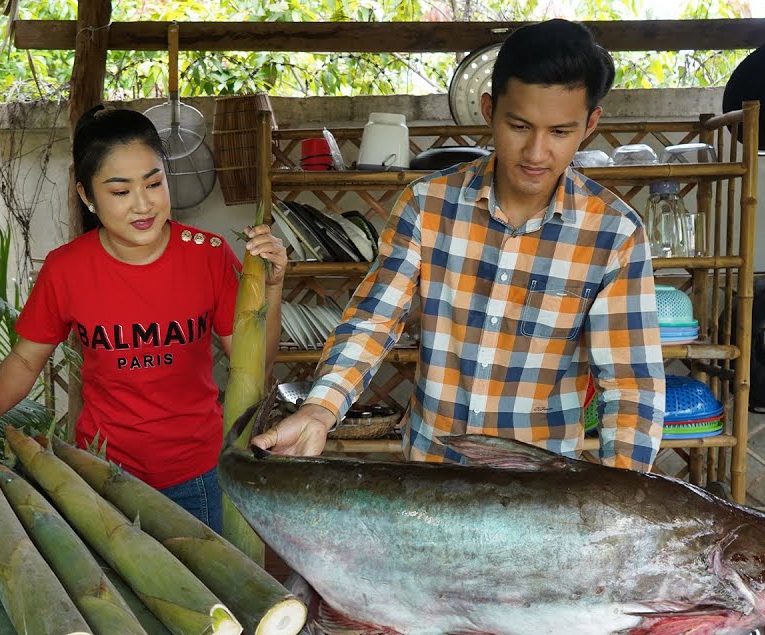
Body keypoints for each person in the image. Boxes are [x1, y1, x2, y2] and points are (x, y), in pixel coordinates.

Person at [252, 19, 665, 471]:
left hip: (541, 494)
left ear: (590, 124)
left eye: (560, 132)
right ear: (488, 110)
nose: (536, 152)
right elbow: (374, 320)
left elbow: (629, 385)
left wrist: (623, 499)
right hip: (432, 478)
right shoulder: (427, 205)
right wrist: (319, 409)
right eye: (519, 125)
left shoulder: (615, 233)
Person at [0, 105, 287, 532]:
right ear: (87, 196)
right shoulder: (66, 269)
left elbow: (255, 365)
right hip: (103, 476)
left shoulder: (208, 255)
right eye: (120, 192)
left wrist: (274, 286)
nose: (143, 204)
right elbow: (26, 360)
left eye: (154, 183)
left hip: (197, 475)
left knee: (202, 596)